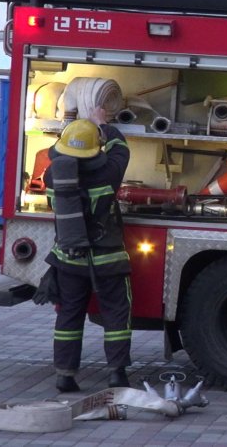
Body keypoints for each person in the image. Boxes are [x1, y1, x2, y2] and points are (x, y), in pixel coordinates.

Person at [43, 107, 132, 392]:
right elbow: (121, 149)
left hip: (69, 259)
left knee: (69, 314)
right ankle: (117, 374)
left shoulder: (51, 175)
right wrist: (102, 124)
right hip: (108, 259)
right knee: (116, 314)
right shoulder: (108, 173)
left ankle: (65, 376)